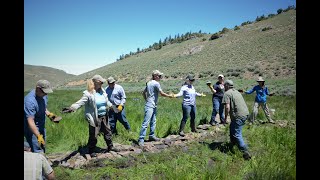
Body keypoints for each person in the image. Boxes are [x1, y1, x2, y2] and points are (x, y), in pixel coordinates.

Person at [63, 75, 119, 157]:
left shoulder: (102, 91)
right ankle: (91, 150)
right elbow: (81, 102)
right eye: (101, 82)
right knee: (94, 135)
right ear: (96, 83)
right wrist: (72, 108)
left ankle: (110, 147)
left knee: (108, 132)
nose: (103, 83)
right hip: (95, 117)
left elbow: (107, 102)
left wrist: (112, 106)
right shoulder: (88, 93)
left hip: (104, 116)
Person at [137, 70, 173, 146]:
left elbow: (143, 93)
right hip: (151, 105)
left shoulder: (149, 83)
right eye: (159, 76)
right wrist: (169, 96)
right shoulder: (156, 83)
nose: (160, 77)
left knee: (153, 121)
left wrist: (147, 100)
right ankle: (141, 139)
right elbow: (162, 93)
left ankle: (151, 136)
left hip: (150, 104)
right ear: (155, 76)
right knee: (147, 122)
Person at [24, 80, 58, 153]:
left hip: (41, 125)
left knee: (42, 146)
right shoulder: (29, 101)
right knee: (37, 149)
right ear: (38, 88)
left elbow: (43, 107)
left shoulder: (43, 95)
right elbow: (30, 121)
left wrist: (50, 115)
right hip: (32, 129)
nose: (46, 94)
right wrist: (38, 136)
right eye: (44, 92)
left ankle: (42, 159)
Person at [222, 80, 251, 160]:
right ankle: (232, 144)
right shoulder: (237, 92)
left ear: (227, 86)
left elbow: (227, 107)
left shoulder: (227, 93)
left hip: (238, 116)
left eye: (224, 86)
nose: (224, 87)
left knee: (237, 134)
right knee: (232, 127)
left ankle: (245, 152)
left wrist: (225, 118)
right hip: (245, 114)